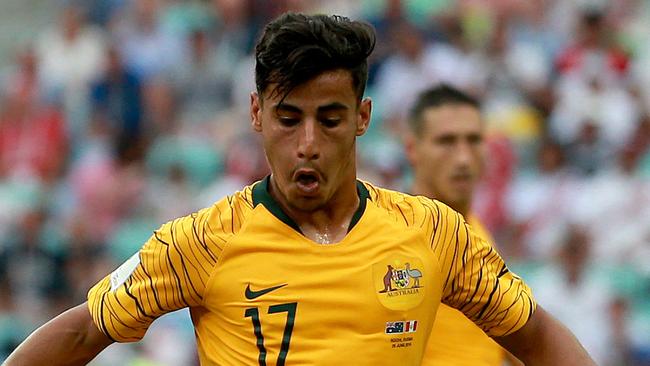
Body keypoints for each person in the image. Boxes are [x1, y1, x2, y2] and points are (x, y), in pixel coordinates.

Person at [5, 13, 595, 366]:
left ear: (362, 118)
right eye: (289, 119)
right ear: (257, 113)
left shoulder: (435, 234)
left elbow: (537, 334)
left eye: (330, 119)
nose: (308, 143)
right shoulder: (201, 242)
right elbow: (82, 329)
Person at [404, 84, 520, 365]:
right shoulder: (393, 234)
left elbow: (516, 334)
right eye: (446, 141)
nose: (464, 158)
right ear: (412, 149)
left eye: (474, 140)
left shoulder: (479, 233)